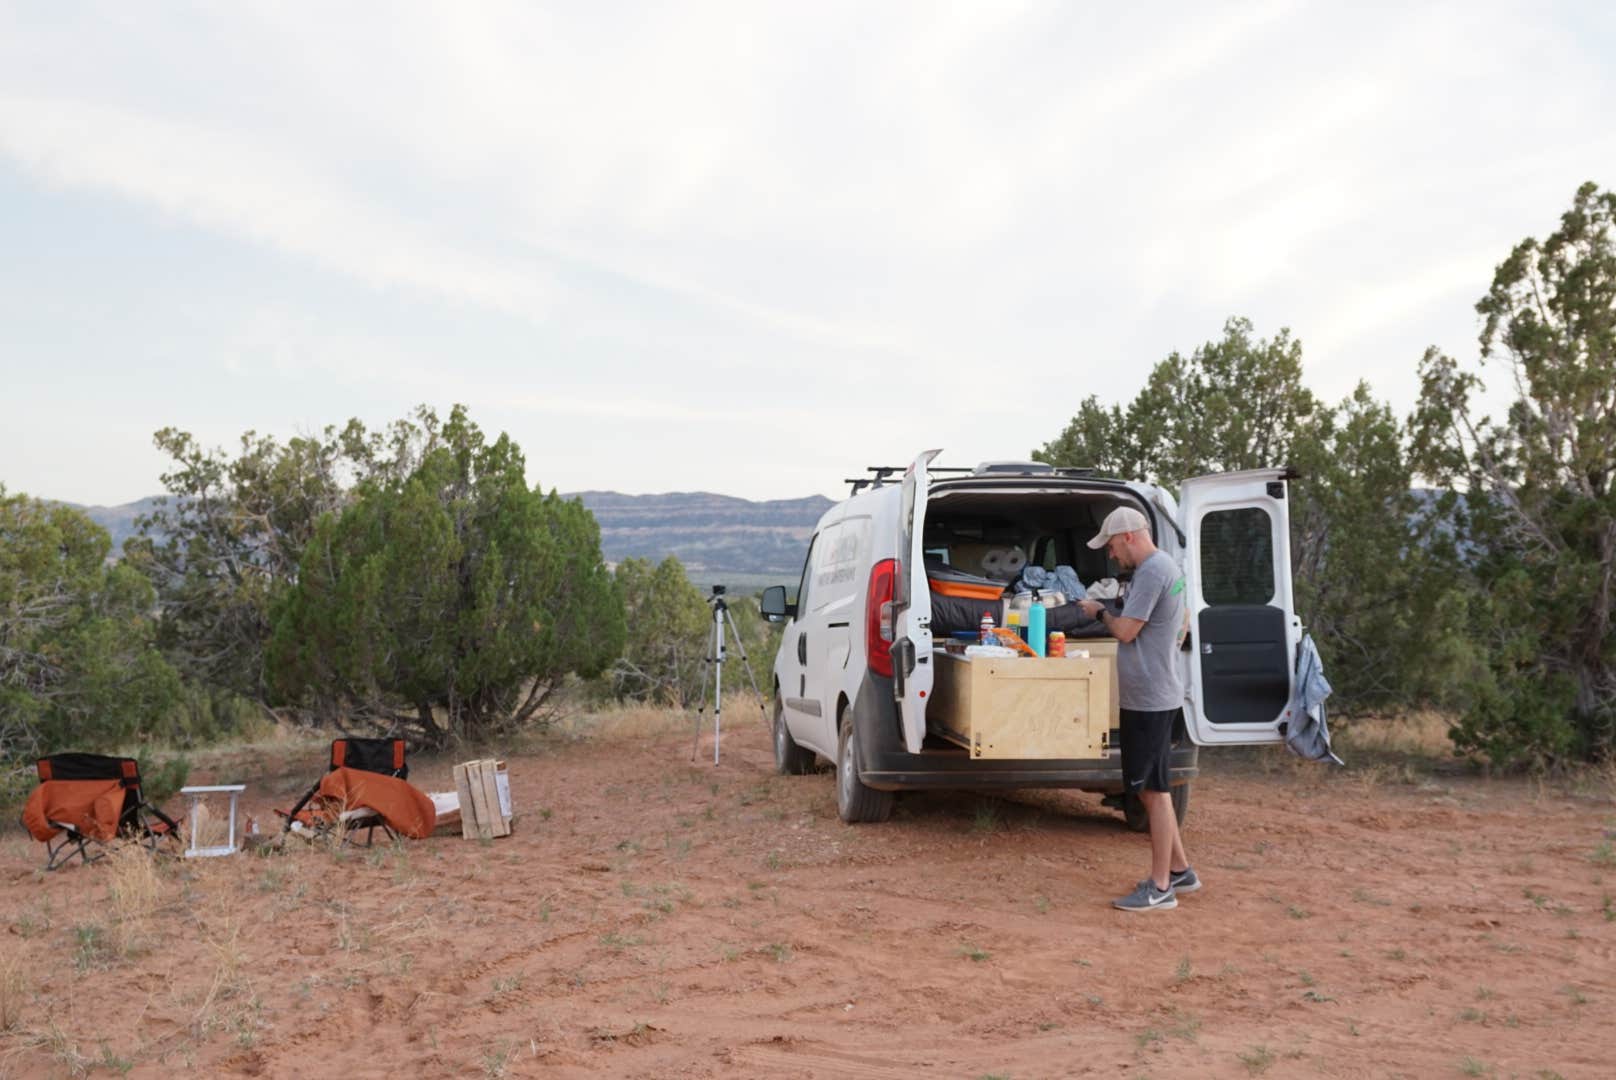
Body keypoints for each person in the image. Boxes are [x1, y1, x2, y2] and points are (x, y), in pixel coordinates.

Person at [1078, 506, 1199, 913]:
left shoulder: (1150, 572)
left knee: (1154, 792)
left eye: (1112, 547)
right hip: (1156, 692)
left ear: (1128, 537)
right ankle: (1180, 870)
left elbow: (1128, 631)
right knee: (1154, 787)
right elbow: (1179, 624)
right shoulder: (1166, 568)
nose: (1112, 555)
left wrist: (1100, 612)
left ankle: (1160, 886)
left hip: (1149, 698)